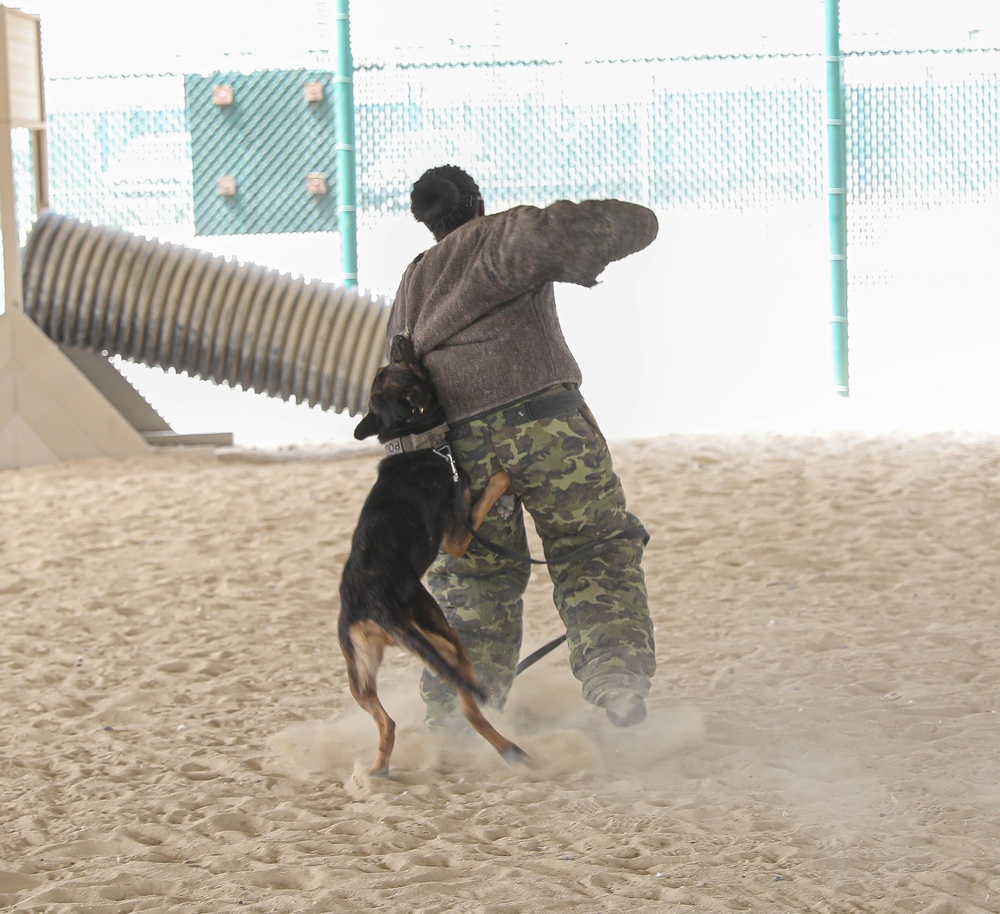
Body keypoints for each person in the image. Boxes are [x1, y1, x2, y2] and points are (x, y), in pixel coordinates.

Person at [387, 164, 658, 730]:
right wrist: (631, 227)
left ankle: (459, 718)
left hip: (462, 454)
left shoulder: (413, 283)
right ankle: (618, 684)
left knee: (472, 581)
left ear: (426, 223)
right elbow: (579, 230)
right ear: (477, 201)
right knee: (595, 546)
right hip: (547, 425)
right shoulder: (496, 237)